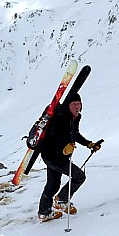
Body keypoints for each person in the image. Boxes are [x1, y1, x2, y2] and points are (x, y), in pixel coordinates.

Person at [37, 91, 102, 222]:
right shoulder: (60, 117)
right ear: (68, 105)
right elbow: (52, 137)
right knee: (79, 176)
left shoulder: (75, 117)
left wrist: (88, 144)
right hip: (52, 156)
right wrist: (62, 149)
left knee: (53, 184)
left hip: (57, 157)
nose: (77, 107)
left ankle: (44, 213)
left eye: (79, 104)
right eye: (74, 104)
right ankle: (61, 200)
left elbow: (75, 134)